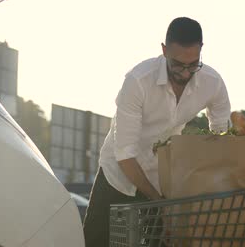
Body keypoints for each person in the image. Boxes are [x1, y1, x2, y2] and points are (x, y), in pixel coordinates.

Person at [83, 17, 231, 247]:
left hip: (161, 177)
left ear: (201, 51)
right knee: (94, 242)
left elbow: (222, 137)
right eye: (177, 65)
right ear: (164, 50)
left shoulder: (213, 83)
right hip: (118, 175)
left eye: (192, 65)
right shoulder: (138, 81)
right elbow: (125, 154)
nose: (184, 73)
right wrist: (158, 202)